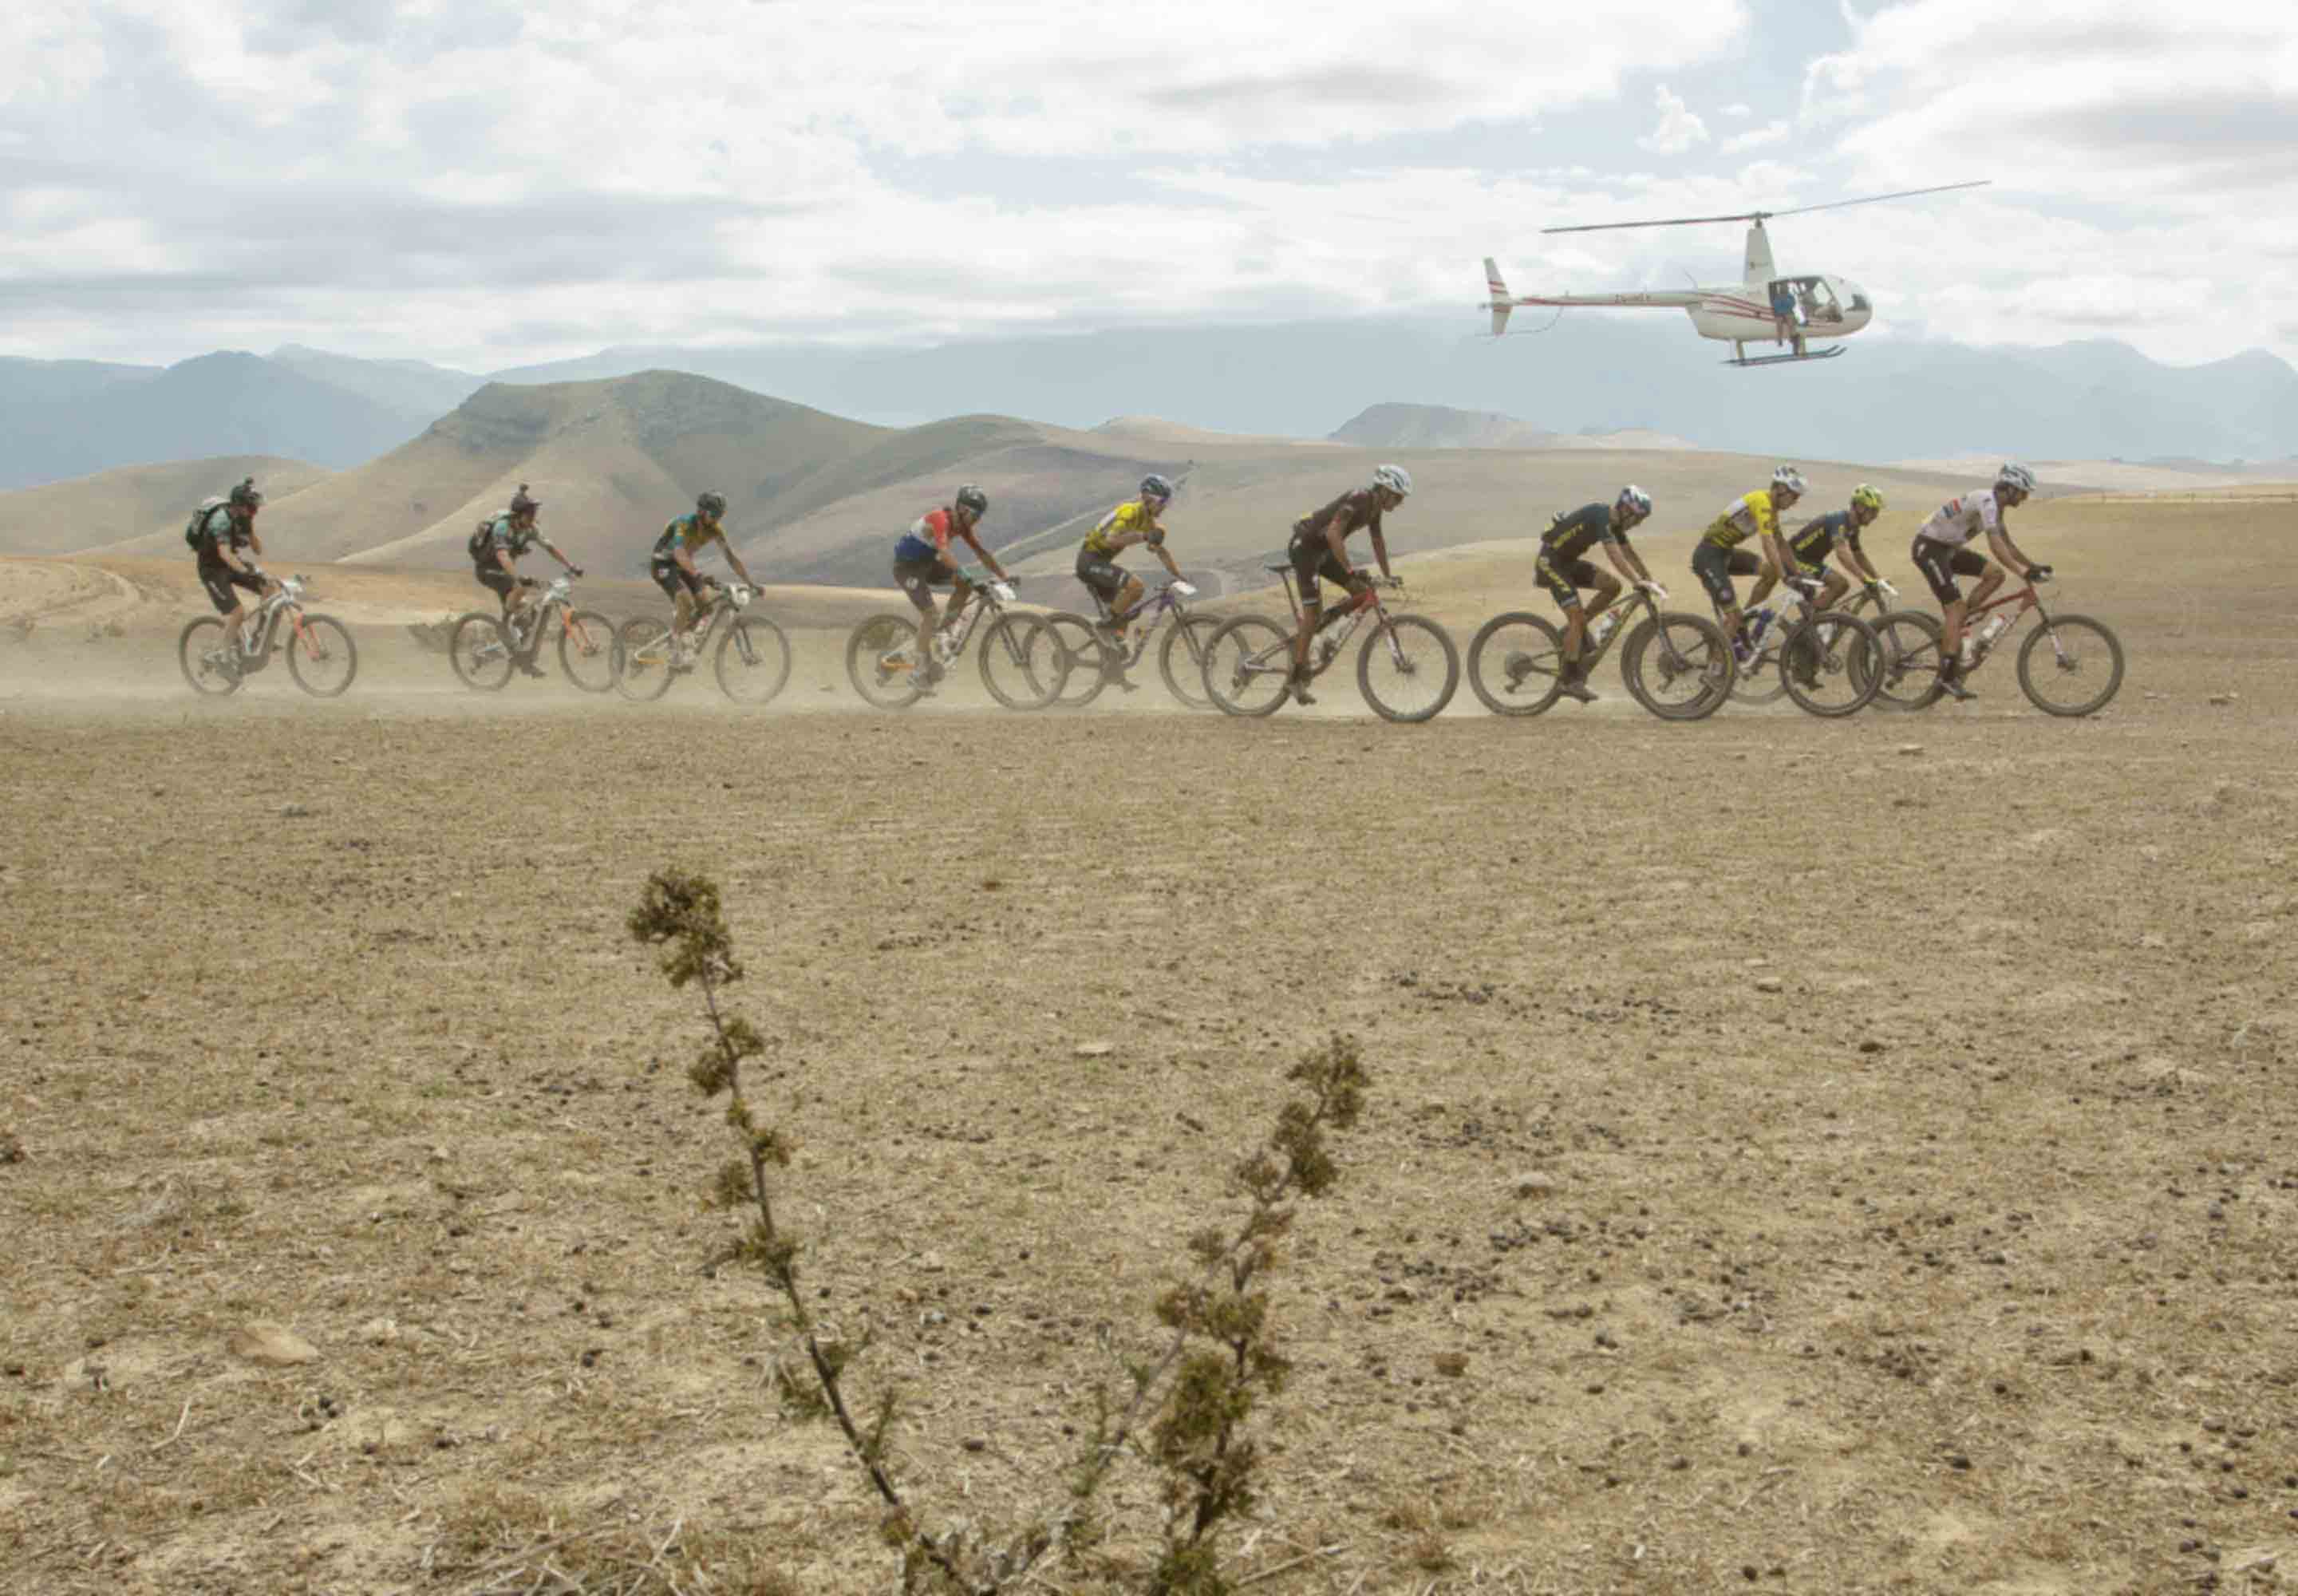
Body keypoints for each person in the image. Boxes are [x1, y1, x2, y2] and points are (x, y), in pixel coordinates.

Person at [1910, 463, 2047, 700]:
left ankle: (1960, 623)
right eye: (2023, 492)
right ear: (2011, 488)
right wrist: (2022, 572)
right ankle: (1947, 677)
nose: (2025, 498)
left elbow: (2008, 545)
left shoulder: (1995, 507)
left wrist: (2032, 566)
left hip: (1948, 550)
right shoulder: (1987, 501)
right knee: (1955, 608)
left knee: (1995, 575)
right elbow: (1996, 546)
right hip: (1930, 548)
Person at [1285, 464, 1410, 705]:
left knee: (1361, 593)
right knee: (1312, 614)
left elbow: (1377, 541)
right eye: (1397, 497)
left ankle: (1325, 635)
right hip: (1306, 549)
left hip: (1323, 552)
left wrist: (1388, 575)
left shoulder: (1375, 509)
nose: (1398, 503)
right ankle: (1296, 676)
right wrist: (1350, 569)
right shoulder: (1359, 497)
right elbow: (1333, 533)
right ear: (1385, 490)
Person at [1536, 485, 1660, 704]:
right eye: (1638, 518)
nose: (1638, 524)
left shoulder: (1615, 525)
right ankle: (1570, 680)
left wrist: (1649, 580)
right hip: (1551, 563)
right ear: (1626, 510)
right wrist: (1637, 581)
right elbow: (1615, 555)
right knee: (1576, 616)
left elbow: (1629, 554)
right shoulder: (1601, 515)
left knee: (1612, 586)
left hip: (1568, 564)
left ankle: (1577, 629)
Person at [891, 484, 1013, 687]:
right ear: (962, 509)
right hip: (907, 568)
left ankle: (943, 632)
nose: (977, 519)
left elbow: (981, 553)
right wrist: (967, 575)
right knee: (930, 614)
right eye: (975, 514)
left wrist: (1004, 576)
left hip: (927, 564)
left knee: (964, 586)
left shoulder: (963, 527)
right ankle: (918, 671)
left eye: (980, 515)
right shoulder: (941, 519)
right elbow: (945, 553)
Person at [1076, 473, 1185, 685]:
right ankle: (1103, 629)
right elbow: (1112, 539)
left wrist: (1180, 575)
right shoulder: (1130, 511)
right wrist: (1143, 536)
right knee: (1136, 587)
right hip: (1090, 561)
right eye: (1163, 503)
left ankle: (1113, 668)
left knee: (1124, 614)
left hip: (1100, 563)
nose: (1164, 508)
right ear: (1151, 499)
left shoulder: (1147, 520)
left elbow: (1161, 552)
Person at [1691, 464, 1805, 665]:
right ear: (1780, 488)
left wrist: (1798, 572)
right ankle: (1716, 670)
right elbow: (1768, 542)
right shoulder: (1761, 501)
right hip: (1709, 555)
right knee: (1733, 616)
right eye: (1794, 496)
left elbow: (1781, 544)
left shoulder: (1772, 511)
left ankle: (1743, 619)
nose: (1795, 502)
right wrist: (1785, 575)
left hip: (1725, 552)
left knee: (1770, 574)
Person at [472, 484, 582, 675]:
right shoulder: (502, 527)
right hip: (488, 570)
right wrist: (517, 578)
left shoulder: (530, 529)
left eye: (534, 513)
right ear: (519, 515)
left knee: (529, 616)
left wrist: (570, 566)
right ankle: (503, 627)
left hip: (506, 572)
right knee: (520, 589)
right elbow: (503, 556)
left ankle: (521, 659)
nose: (533, 517)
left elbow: (549, 547)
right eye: (530, 514)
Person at [650, 492, 757, 669]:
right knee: (686, 602)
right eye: (714, 515)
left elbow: (730, 557)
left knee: (706, 605)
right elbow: (678, 552)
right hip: (663, 564)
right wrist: (696, 573)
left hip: (684, 565)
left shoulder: (715, 530)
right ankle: (675, 651)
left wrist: (750, 582)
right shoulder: (683, 523)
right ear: (701, 511)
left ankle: (686, 639)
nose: (717, 519)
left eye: (720, 516)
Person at [191, 476, 275, 670]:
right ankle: (222, 655)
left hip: (230, 564)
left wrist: (251, 528)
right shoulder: (220, 520)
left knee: (269, 587)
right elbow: (225, 554)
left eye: (256, 508)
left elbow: (258, 550)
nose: (255, 511)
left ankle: (258, 638)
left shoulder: (244, 518)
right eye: (251, 508)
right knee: (238, 613)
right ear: (238, 506)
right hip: (212, 570)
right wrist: (247, 571)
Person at [1783, 483, 1889, 614]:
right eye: (1873, 511)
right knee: (1835, 584)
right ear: (1860, 507)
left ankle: (1815, 620)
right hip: (1792, 558)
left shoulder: (1853, 526)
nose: (1876, 516)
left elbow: (1858, 554)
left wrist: (1878, 578)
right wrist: (1864, 579)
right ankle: (1811, 623)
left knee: (1840, 585)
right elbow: (1842, 553)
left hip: (1810, 561)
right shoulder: (1839, 521)